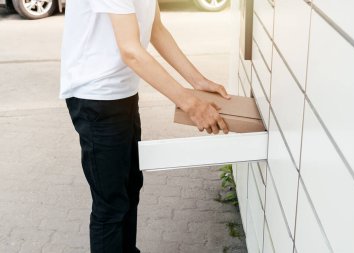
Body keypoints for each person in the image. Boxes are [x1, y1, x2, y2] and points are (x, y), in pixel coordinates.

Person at [60, 0, 230, 252]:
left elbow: (156, 27)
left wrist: (197, 80)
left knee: (130, 187)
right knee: (111, 204)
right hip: (96, 99)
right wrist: (191, 105)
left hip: (122, 94)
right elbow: (131, 51)